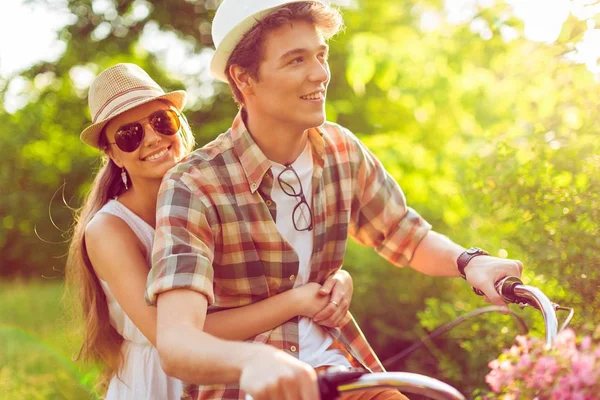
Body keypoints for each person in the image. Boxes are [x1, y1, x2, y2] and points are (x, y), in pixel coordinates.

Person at [146, 1, 524, 399]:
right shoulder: (193, 184)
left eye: (320, 55)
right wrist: (251, 361)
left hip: (344, 375)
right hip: (249, 390)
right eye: (295, 61)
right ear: (244, 79)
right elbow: (176, 344)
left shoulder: (342, 149)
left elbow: (404, 234)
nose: (319, 74)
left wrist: (471, 262)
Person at [65, 63, 356, 400]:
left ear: (180, 123)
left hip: (235, 374)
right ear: (112, 154)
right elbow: (172, 337)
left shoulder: (216, 194)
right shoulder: (109, 230)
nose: (153, 137)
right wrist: (295, 302)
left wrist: (335, 280)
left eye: (162, 121)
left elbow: (278, 270)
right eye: (130, 135)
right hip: (162, 382)